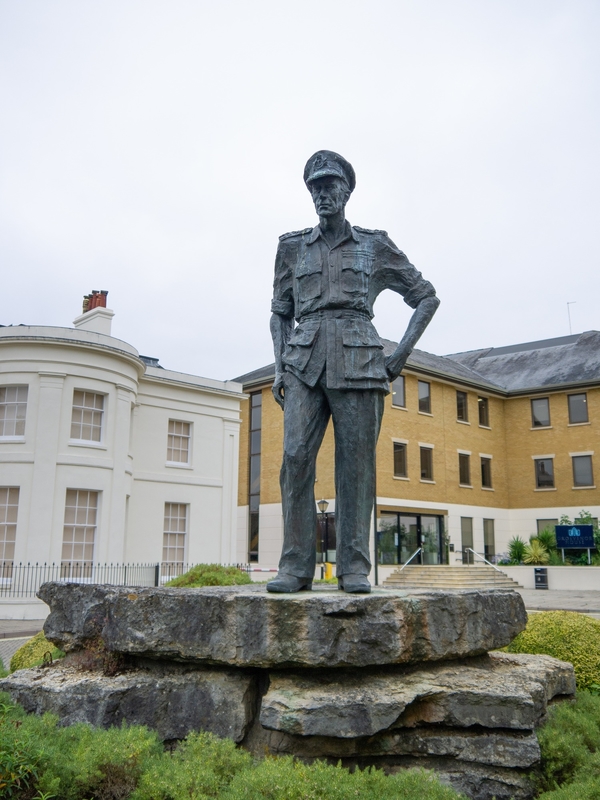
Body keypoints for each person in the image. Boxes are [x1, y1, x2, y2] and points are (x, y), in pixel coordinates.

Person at [267, 150, 439, 593]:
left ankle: (353, 567)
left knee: (356, 466)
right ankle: (295, 567)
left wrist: (398, 356)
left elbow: (425, 297)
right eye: (315, 188)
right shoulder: (290, 247)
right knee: (294, 460)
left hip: (361, 361)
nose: (323, 194)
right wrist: (280, 367)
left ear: (347, 190)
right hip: (304, 362)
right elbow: (280, 314)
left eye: (330, 186)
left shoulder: (374, 244)